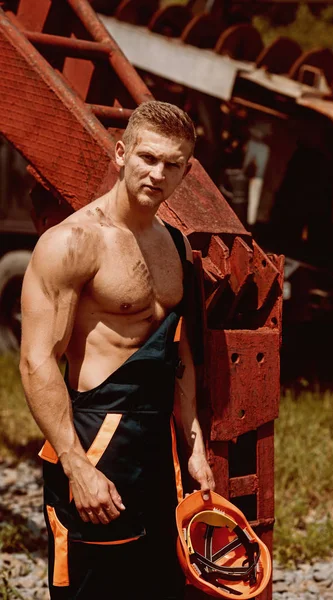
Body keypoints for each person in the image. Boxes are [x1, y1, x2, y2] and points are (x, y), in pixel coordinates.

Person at [19, 101, 215, 600]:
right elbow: (37, 360)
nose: (158, 173)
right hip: (97, 438)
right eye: (148, 158)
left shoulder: (176, 244)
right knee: (93, 584)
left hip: (157, 446)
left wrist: (192, 443)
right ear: (122, 153)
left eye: (173, 164)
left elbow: (180, 346)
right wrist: (76, 466)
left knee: (161, 581)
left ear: (186, 170)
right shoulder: (72, 243)